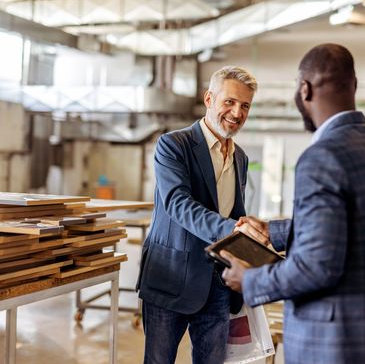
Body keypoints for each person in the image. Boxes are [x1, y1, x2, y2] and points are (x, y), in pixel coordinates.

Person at [221, 43, 365, 364]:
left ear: (305, 89)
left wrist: (249, 280)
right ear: (353, 86)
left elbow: (316, 268)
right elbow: (350, 223)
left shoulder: (322, 156)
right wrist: (276, 230)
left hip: (331, 342)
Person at [136, 66, 257, 364]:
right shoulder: (173, 145)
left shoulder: (240, 157)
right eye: (229, 102)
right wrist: (231, 229)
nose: (237, 112)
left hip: (217, 285)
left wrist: (252, 245)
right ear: (209, 98)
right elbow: (178, 203)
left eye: (245, 106)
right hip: (171, 278)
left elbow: (234, 211)